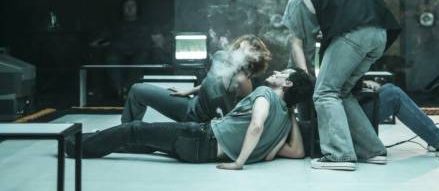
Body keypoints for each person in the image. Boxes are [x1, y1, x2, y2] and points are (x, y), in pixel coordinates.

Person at [283, 0, 439, 157]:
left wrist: (359, 82)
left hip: (348, 111)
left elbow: (346, 66)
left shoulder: (342, 20)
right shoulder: (294, 76)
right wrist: (306, 80)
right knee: (328, 99)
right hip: (329, 121)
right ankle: (351, 146)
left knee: (392, 93)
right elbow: (298, 49)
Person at [66, 69, 314, 169]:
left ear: (287, 84)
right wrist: (290, 113)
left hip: (200, 137)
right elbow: (296, 152)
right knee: (146, 142)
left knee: (134, 130)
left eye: (283, 73)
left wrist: (239, 163)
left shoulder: (265, 94)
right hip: (201, 153)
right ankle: (87, 138)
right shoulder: (284, 121)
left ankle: (73, 146)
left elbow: (256, 124)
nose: (277, 72)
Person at [300, 0, 401, 171]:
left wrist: (324, 30)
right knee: (342, 92)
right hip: (379, 32)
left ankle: (339, 155)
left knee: (324, 92)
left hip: (353, 33)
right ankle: (372, 150)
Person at [121, 35, 272, 123]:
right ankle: (126, 132)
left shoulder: (242, 82)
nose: (236, 52)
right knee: (137, 90)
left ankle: (131, 136)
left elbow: (238, 115)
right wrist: (188, 91)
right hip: (189, 105)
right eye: (238, 47)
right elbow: (213, 82)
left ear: (252, 60)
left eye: (243, 52)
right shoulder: (220, 57)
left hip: (200, 124)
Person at [91, 0, 166, 98]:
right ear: (122, 8)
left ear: (137, 8)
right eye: (127, 6)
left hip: (141, 51)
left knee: (142, 57)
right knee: (111, 57)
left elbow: (158, 39)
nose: (130, 8)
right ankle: (119, 90)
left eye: (132, 6)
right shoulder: (115, 24)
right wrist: (97, 44)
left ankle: (127, 89)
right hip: (118, 52)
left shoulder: (146, 23)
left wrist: (159, 46)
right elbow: (101, 40)